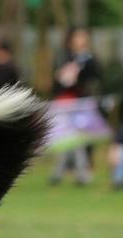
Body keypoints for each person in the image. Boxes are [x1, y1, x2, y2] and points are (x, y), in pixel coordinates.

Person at [50, 27, 101, 186]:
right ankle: (67, 172)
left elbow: (96, 78)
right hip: (66, 101)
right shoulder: (64, 57)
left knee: (79, 138)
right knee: (67, 137)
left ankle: (75, 172)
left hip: (82, 103)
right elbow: (58, 81)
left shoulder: (89, 59)